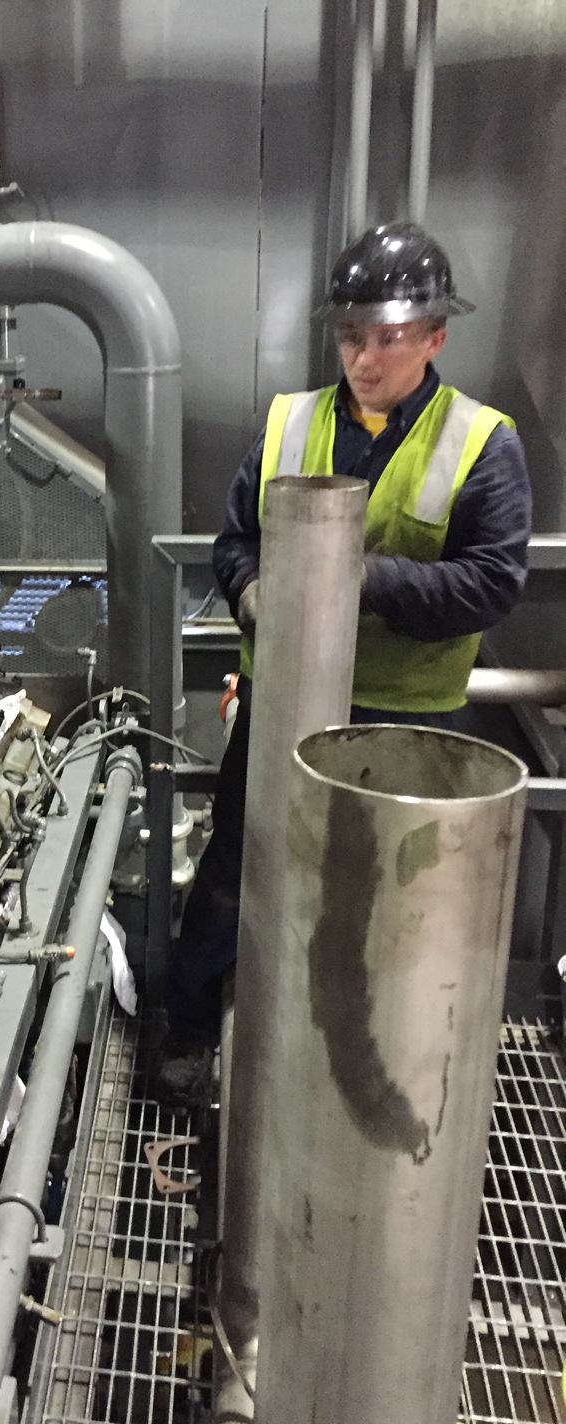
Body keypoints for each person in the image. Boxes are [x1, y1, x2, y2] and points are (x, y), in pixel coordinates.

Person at [157, 220, 533, 1103]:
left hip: (407, 720)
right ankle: (185, 1030)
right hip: (286, 702)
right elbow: (234, 541)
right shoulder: (291, 422)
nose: (366, 356)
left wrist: (360, 580)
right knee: (237, 866)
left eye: (389, 337)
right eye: (351, 335)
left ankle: (357, 1064)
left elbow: (490, 583)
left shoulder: (481, 443)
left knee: (383, 899)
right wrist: (251, 593)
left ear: (435, 336)